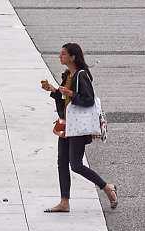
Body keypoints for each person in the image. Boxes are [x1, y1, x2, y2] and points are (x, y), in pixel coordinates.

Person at [40, 43, 118, 213]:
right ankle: (64, 202)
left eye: (63, 54)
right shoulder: (68, 74)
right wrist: (53, 90)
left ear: (72, 57)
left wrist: (71, 94)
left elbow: (88, 100)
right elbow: (64, 98)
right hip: (66, 123)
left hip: (77, 126)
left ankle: (107, 187)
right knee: (62, 163)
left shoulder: (81, 75)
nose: (60, 57)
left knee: (75, 164)